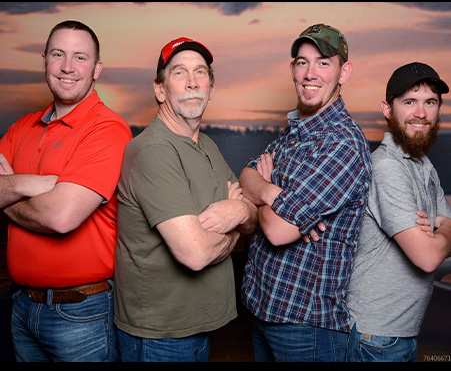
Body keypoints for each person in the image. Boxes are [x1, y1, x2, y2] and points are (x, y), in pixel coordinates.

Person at [114, 37, 258, 362]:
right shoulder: (152, 150)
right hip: (159, 335)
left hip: (194, 328)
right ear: (160, 90)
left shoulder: (205, 144)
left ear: (211, 88)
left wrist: (237, 209)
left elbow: (253, 216)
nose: (192, 82)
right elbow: (194, 254)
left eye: (200, 73)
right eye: (179, 73)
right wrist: (236, 226)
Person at [0, 20, 132, 361]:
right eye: (58, 55)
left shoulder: (107, 129)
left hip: (80, 314)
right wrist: (30, 183)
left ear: (97, 68)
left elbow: (60, 217)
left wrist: (6, 195)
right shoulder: (20, 127)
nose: (68, 67)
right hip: (22, 307)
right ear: (44, 60)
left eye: (80, 57)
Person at [239, 23, 372, 362]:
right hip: (264, 312)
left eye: (324, 62)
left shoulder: (342, 144)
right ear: (292, 69)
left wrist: (262, 195)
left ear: (344, 72)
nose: (310, 73)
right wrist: (274, 194)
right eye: (302, 62)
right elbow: (245, 176)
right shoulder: (294, 134)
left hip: (307, 328)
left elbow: (277, 230)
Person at [346, 62, 451, 362]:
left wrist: (439, 232)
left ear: (439, 110)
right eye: (409, 102)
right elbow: (428, 256)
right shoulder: (388, 167)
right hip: (376, 337)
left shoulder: (421, 164)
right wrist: (440, 228)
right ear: (388, 109)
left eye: (429, 102)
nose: (421, 113)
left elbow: (446, 230)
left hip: (397, 333)